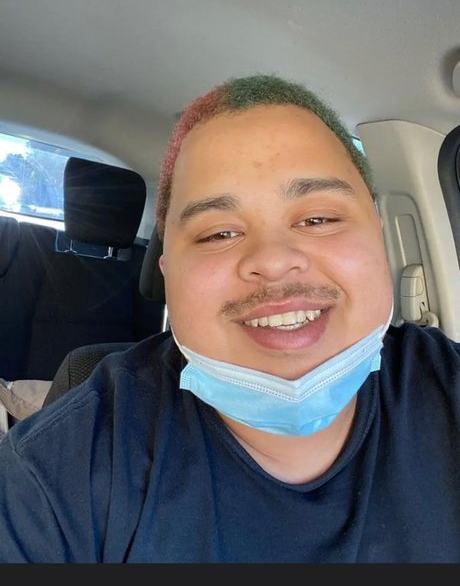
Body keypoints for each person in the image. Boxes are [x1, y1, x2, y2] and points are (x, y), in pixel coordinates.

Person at [0, 74, 459, 563]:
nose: (274, 260)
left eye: (318, 219)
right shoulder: (54, 476)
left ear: (379, 234)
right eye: (218, 233)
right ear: (167, 270)